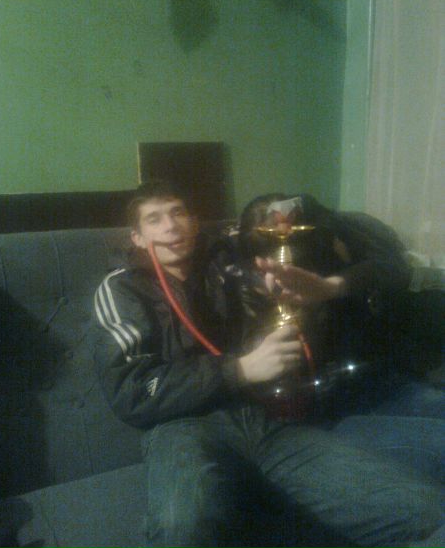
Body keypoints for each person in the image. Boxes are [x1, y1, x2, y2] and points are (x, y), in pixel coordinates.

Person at [93, 181, 442, 548]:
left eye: (178, 213)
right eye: (154, 219)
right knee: (185, 529)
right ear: (137, 237)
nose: (171, 226)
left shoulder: (225, 262)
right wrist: (240, 369)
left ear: (195, 223)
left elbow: (264, 272)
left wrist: (290, 286)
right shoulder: (121, 289)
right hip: (181, 426)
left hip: (262, 421)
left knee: (425, 509)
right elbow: (131, 392)